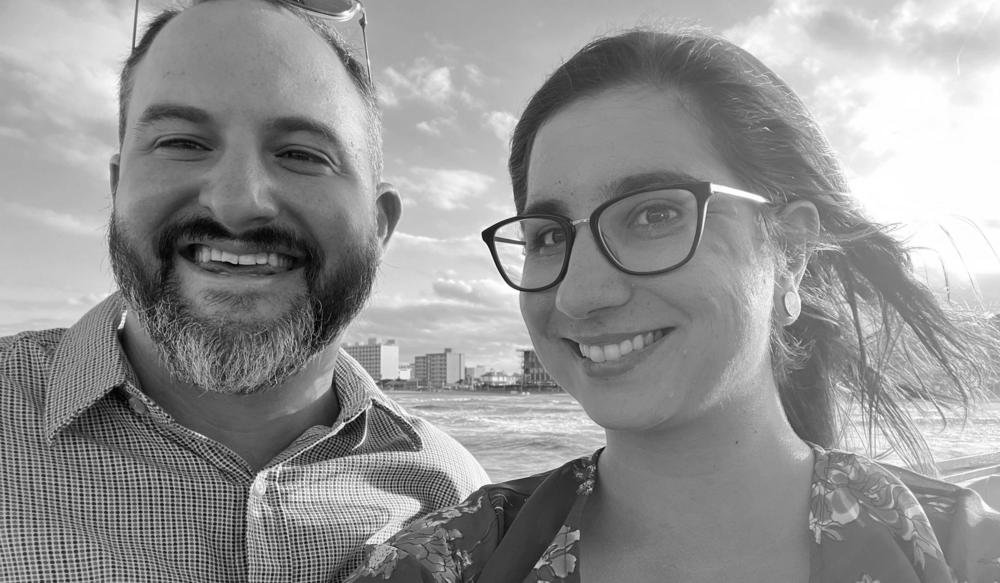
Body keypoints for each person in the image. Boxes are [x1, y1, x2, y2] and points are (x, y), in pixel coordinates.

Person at [347, 26, 1000, 583]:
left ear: (791, 251)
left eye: (654, 214)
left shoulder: (959, 552)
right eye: (549, 236)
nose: (581, 293)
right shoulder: (448, 559)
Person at [0, 1, 489, 581]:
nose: (237, 203)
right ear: (117, 187)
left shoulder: (457, 498)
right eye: (182, 143)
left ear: (378, 225)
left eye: (302, 155)